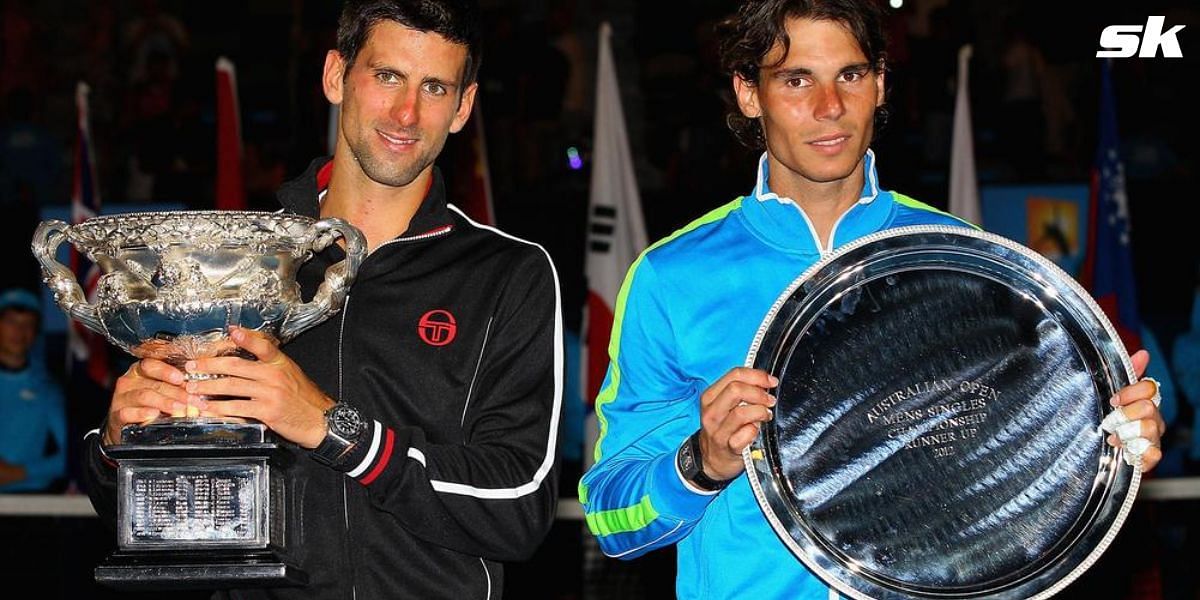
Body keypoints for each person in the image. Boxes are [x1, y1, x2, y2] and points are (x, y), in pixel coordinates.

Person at [578, 1, 1166, 598]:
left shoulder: (960, 258)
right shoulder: (670, 277)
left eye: (851, 75)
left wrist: (1106, 443)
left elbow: (1015, 480)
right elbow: (608, 519)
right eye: (796, 79)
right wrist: (700, 464)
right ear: (749, 93)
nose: (829, 108)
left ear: (881, 83)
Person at [82, 1, 563, 598]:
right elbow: (169, 521)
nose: (408, 112)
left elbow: (518, 508)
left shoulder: (507, 272)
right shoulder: (238, 261)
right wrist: (119, 448)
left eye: (434, 87)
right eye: (387, 76)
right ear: (336, 76)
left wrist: (335, 431)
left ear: (462, 109)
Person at [0, 288, 67, 493]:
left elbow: (72, 455)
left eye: (28, 324)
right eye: (12, 322)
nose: (19, 332)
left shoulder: (47, 389)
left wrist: (21, 472)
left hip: (30, 505)